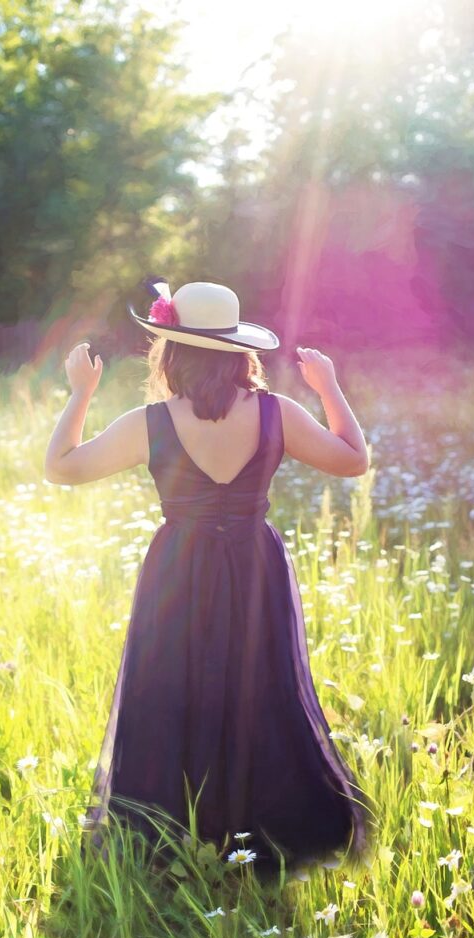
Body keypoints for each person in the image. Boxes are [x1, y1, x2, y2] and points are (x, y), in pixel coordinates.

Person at [44, 277, 377, 879]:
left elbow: (61, 469)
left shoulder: (151, 421)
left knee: (172, 690)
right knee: (261, 688)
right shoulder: (279, 412)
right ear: (238, 351)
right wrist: (329, 387)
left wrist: (80, 393)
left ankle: (174, 835)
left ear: (169, 353)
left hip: (179, 570)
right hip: (256, 566)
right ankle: (264, 831)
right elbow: (353, 459)